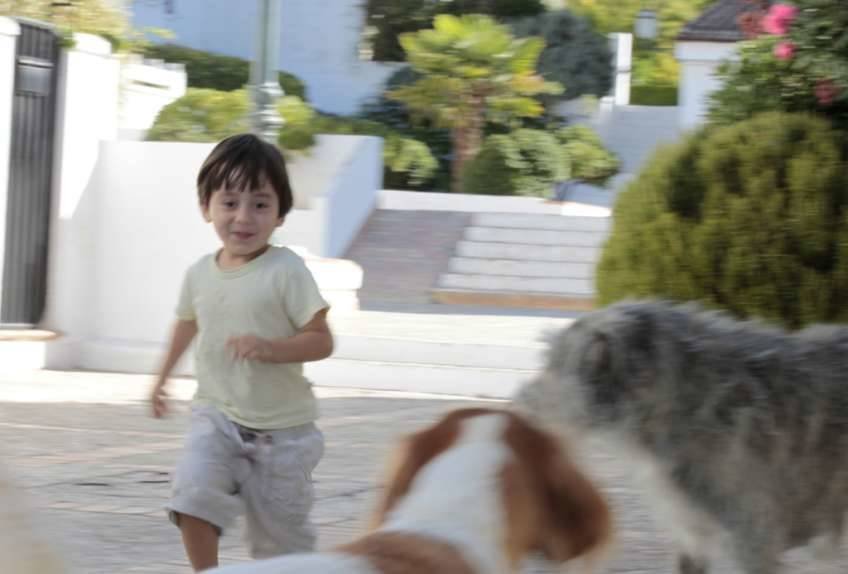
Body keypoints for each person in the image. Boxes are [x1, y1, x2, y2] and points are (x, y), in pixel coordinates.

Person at [150, 133, 334, 571]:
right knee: (192, 496)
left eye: (260, 204)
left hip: (284, 434)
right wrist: (161, 379)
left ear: (281, 214)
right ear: (206, 206)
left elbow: (321, 339)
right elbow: (188, 322)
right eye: (229, 202)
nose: (243, 217)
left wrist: (272, 348)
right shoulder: (199, 273)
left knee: (281, 548)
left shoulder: (287, 270)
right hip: (216, 415)